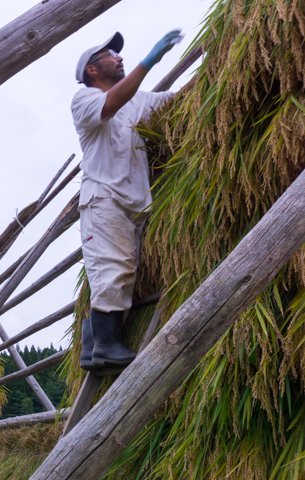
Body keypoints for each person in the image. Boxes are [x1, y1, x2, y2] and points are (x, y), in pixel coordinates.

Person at [72, 30, 182, 373]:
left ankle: (93, 344)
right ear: (92, 69)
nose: (119, 57)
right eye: (110, 54)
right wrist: (149, 62)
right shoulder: (85, 100)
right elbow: (110, 104)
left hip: (133, 200)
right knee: (112, 266)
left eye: (120, 55)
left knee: (126, 269)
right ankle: (106, 345)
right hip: (103, 198)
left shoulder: (136, 100)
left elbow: (173, 101)